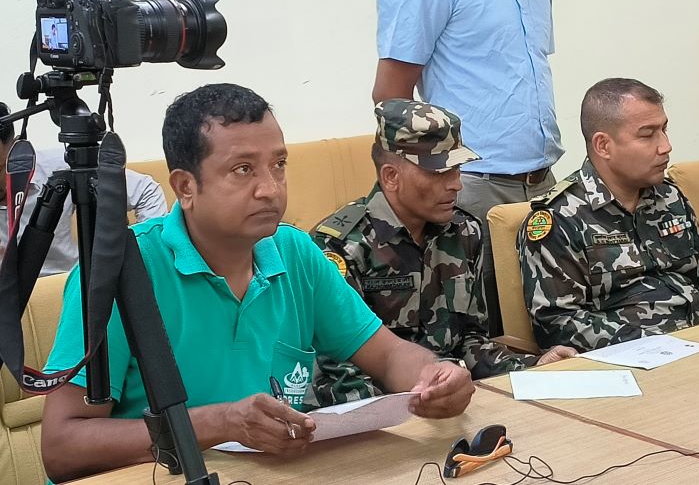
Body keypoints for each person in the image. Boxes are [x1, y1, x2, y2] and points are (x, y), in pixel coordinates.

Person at [40, 84, 474, 483]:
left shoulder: (295, 252)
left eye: (279, 165)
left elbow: (389, 355)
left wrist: (433, 376)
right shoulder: (121, 271)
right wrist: (221, 423)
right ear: (186, 187)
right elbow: (62, 449)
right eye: (243, 169)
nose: (270, 189)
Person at [372, 0, 566, 333]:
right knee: (486, 337)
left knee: (547, 331)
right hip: (472, 187)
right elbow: (391, 97)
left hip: (541, 182)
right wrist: (425, 184)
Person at [308, 99, 576, 406]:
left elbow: (472, 343)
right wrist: (413, 411)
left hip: (448, 402)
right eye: (439, 173)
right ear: (391, 176)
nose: (456, 184)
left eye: (457, 168)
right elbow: (337, 373)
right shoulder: (341, 247)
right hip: (376, 411)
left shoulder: (464, 232)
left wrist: (534, 369)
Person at [518, 78, 699, 353]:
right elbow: (558, 324)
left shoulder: (670, 196)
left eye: (664, 130)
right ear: (603, 146)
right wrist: (661, 344)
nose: (665, 146)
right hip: (635, 358)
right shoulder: (559, 218)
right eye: (647, 135)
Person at [0, 101, 168, 276]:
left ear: (16, 151)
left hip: (68, 282)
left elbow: (146, 191)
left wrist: (145, 256)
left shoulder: (60, 167)